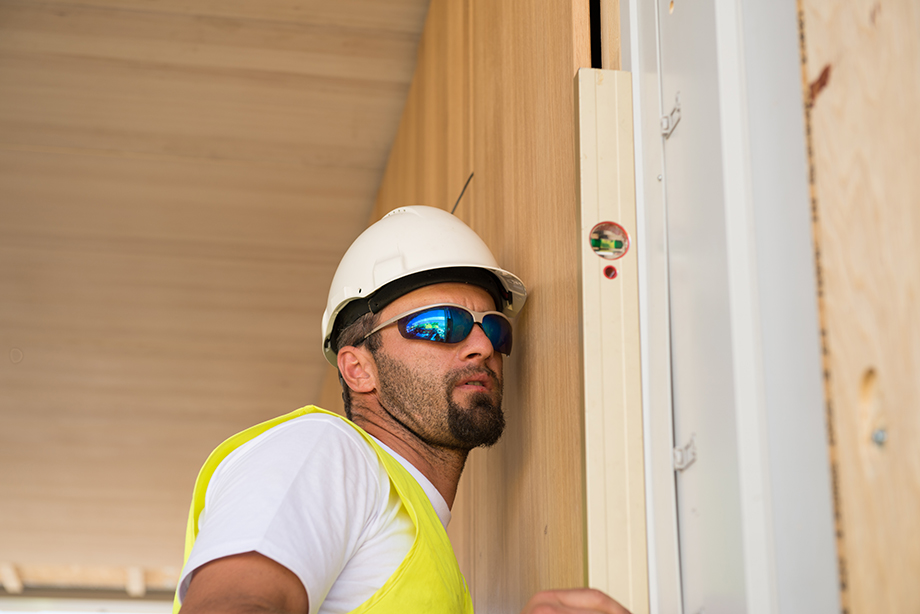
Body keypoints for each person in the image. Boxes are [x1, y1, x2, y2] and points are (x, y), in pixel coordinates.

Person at [174, 206, 631, 614]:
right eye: (438, 324)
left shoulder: (421, 541)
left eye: (493, 327)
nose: (481, 346)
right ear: (359, 369)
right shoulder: (324, 450)